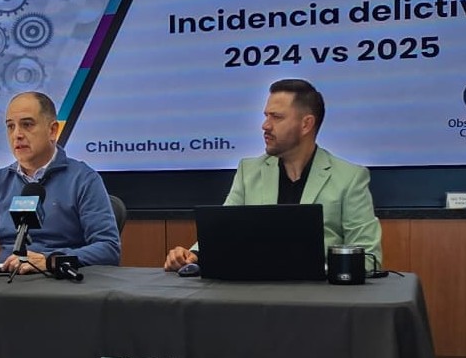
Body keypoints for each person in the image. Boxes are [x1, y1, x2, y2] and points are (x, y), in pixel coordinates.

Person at [164, 78, 382, 271]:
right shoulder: (249, 172)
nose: (265, 125)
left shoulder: (349, 177)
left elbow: (369, 258)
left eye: (276, 117)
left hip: (321, 297)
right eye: (266, 116)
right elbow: (222, 232)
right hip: (257, 295)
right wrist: (192, 256)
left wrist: (317, 271)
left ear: (306, 124)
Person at [0, 91, 121, 273]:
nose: (17, 134)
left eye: (27, 124)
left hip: (58, 281)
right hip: (6, 281)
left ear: (52, 130)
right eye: (10, 126)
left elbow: (108, 248)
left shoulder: (83, 179)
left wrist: (51, 261)